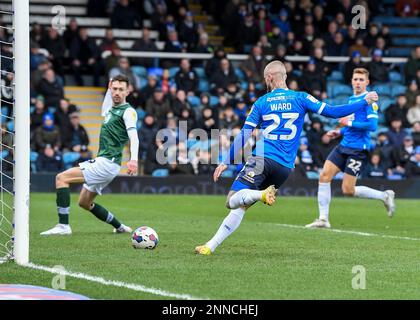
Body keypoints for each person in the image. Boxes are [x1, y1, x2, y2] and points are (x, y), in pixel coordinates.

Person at [195, 61, 380, 255]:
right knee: (242, 206)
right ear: (285, 77)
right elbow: (333, 112)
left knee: (232, 200)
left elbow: (245, 134)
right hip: (284, 168)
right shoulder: (301, 97)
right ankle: (210, 246)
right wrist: (364, 101)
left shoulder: (262, 102)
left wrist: (226, 160)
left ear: (269, 78)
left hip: (262, 159)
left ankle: (261, 194)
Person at [40, 75, 139, 236]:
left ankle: (63, 226)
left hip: (107, 163)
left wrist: (133, 159)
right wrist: (110, 85)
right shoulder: (109, 109)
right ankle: (120, 227)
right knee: (84, 202)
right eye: (114, 89)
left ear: (128, 91)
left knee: (61, 178)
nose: (117, 92)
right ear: (110, 89)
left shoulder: (128, 112)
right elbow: (109, 95)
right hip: (107, 164)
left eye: (121, 90)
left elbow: (133, 136)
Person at [306, 68, 395, 230]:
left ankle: (384, 195)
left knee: (348, 190)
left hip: (358, 149)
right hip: (344, 145)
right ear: (351, 81)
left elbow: (373, 126)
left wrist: (348, 124)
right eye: (355, 79)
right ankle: (323, 219)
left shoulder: (369, 101)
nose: (358, 82)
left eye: (361, 79)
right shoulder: (352, 99)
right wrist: (338, 131)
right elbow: (350, 125)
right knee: (324, 176)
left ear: (367, 82)